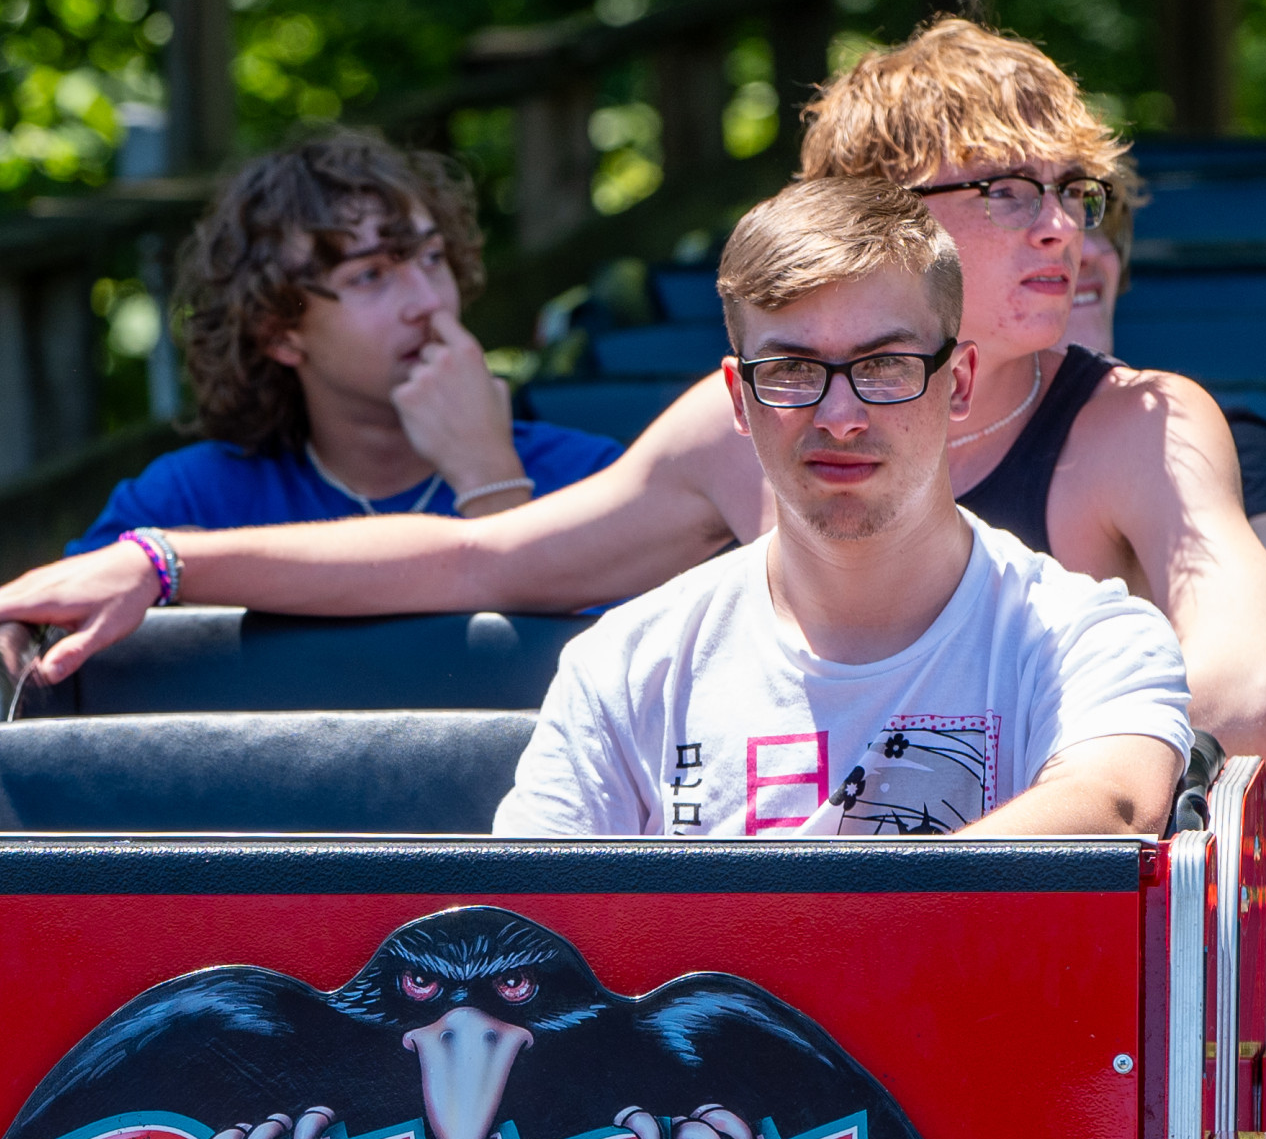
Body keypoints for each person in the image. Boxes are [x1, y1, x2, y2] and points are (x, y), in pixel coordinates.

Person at [0, 18, 1266, 760]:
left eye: (1074, 190)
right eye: (1010, 193)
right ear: (883, 219)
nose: (1066, 229)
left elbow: (1254, 694)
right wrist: (163, 563)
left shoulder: (1135, 421)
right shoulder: (742, 423)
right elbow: (486, 555)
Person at [495, 180, 1188, 841]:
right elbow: (525, 921)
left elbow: (1115, 804)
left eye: (885, 365)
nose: (841, 416)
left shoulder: (1087, 639)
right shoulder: (625, 666)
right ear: (740, 397)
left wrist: (825, 929)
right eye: (792, 371)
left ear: (959, 383)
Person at [66, 126, 621, 551]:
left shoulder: (594, 481)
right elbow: (30, 648)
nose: (427, 301)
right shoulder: (191, 503)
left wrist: (490, 482)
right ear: (279, 332)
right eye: (370, 275)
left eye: (432, 258)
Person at [1068, 182, 1266, 661]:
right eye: (1015, 208)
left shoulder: (1215, 439)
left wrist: (1244, 614)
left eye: (1093, 219)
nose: (1083, 248)